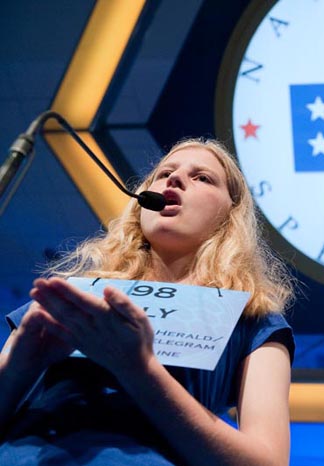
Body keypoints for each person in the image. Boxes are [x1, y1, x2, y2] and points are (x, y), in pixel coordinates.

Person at [0, 138, 295, 465]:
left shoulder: (255, 321)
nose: (175, 179)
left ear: (230, 213)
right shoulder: (72, 296)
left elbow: (268, 462)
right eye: (164, 173)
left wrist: (140, 370)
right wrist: (22, 364)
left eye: (202, 178)